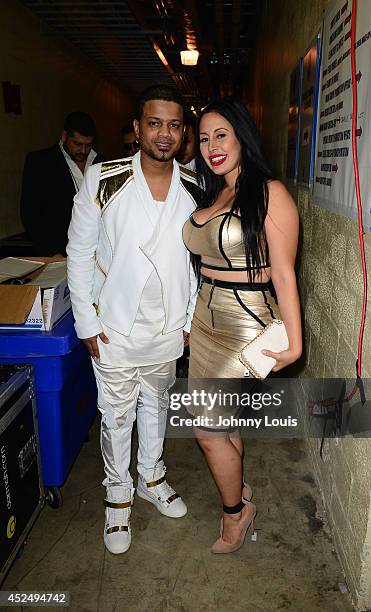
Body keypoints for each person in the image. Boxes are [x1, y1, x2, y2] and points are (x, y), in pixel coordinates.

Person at [66, 85, 200, 555]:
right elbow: (79, 253)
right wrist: (85, 320)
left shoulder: (195, 187)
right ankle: (117, 496)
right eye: (155, 123)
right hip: (114, 326)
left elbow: (197, 263)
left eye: (175, 125)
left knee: (157, 406)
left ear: (184, 133)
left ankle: (152, 477)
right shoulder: (103, 179)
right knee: (117, 414)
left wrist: (188, 318)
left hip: (167, 328)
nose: (165, 134)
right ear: (138, 127)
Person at [182, 98, 302, 554]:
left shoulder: (269, 192)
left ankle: (236, 513)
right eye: (205, 137)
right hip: (205, 321)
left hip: (246, 327)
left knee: (207, 429)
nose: (212, 146)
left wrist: (294, 340)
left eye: (222, 135)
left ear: (241, 136)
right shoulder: (215, 192)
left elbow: (285, 272)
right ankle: (240, 488)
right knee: (221, 421)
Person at [20, 111, 103, 256]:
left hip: (98, 253)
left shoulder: (103, 162)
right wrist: (51, 252)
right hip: (59, 253)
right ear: (64, 136)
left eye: (88, 145)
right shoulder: (40, 162)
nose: (83, 151)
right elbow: (30, 213)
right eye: (77, 144)